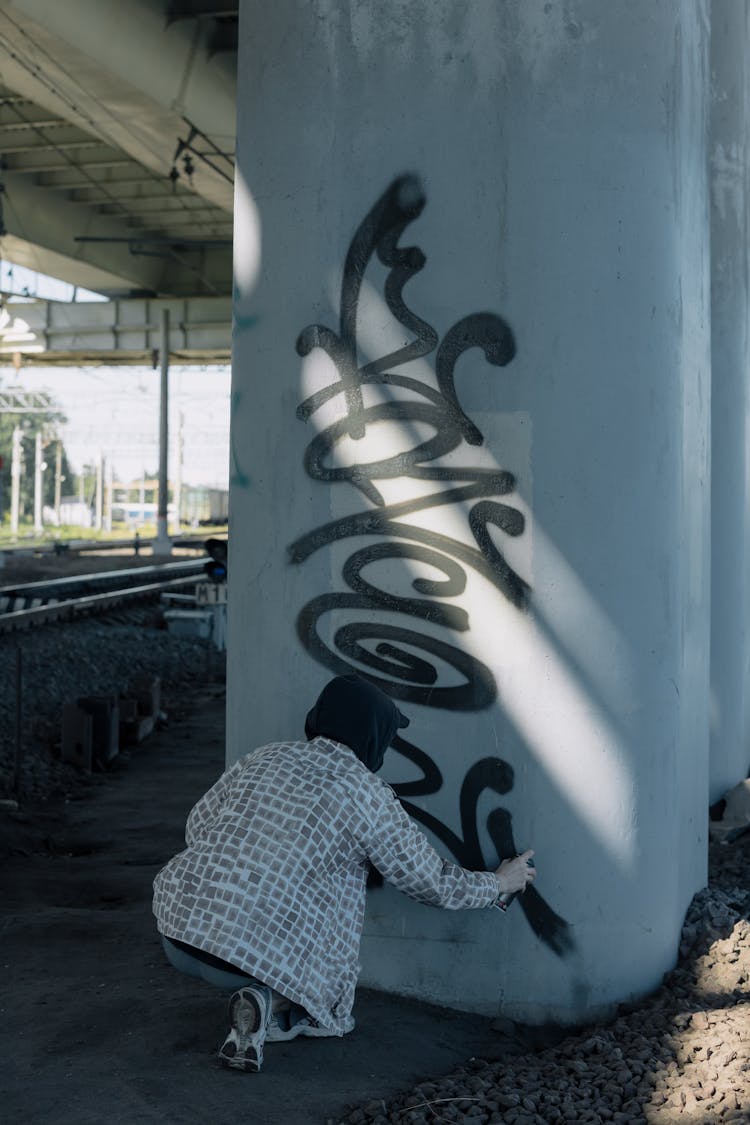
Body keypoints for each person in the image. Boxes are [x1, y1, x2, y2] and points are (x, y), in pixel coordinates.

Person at [152, 674, 536, 1073]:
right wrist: (499, 883)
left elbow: (198, 826)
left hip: (177, 933)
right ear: (374, 737)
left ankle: (261, 1000)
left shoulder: (265, 756)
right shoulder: (365, 794)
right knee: (331, 971)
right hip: (240, 962)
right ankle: (269, 1001)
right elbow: (430, 882)